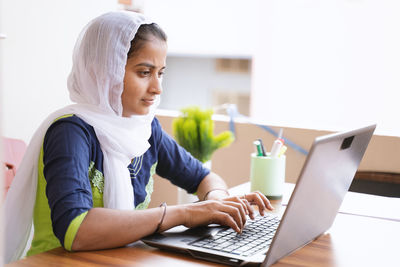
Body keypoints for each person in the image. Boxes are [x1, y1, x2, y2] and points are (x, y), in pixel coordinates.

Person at [4, 11, 273, 263]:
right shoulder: (70, 132)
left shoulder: (145, 129)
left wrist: (216, 200)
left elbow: (203, 177)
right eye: (144, 73)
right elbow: (77, 230)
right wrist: (186, 214)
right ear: (104, 71)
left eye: (161, 73)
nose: (156, 88)